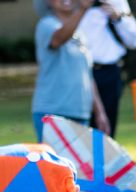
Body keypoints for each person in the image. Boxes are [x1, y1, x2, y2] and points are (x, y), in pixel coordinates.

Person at [31, 0, 110, 141]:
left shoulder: (81, 34)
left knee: (77, 163)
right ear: (48, 2)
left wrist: (100, 113)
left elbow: (88, 76)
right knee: (53, 162)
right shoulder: (46, 24)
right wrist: (83, 9)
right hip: (52, 111)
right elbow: (58, 39)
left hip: (80, 112)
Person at [79, 0, 136, 137]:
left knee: (106, 129)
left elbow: (135, 41)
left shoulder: (115, 2)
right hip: (79, 72)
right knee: (79, 129)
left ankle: (103, 158)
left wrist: (118, 18)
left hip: (109, 72)